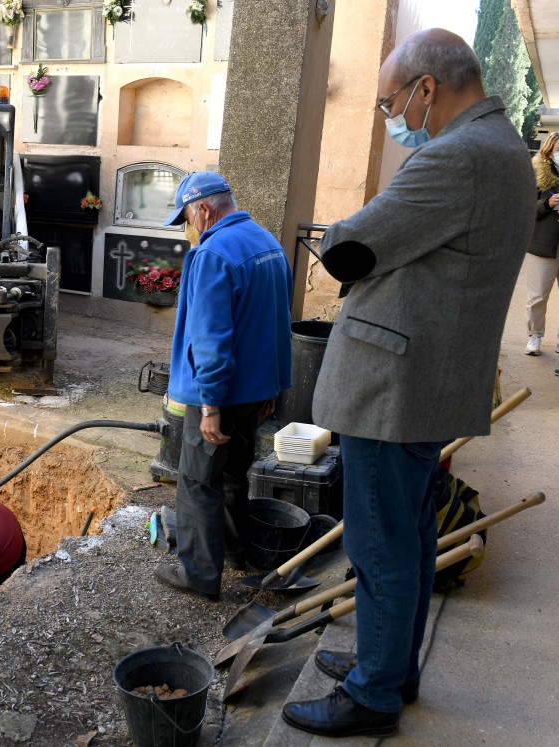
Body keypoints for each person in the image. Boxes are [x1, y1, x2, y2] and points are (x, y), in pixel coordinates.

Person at [282, 29, 534, 738]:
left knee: (380, 541)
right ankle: (390, 665)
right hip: (429, 377)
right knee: (412, 536)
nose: (391, 116)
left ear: (428, 87)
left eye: (390, 101)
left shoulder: (457, 157)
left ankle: (373, 693)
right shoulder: (503, 149)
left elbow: (348, 246)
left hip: (395, 385)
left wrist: (345, 235)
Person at [154, 171, 293, 601]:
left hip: (222, 393)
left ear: (204, 209)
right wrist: (274, 387)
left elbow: (211, 337)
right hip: (256, 392)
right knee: (234, 475)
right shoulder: (268, 243)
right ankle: (236, 553)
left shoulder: (213, 254)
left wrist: (210, 404)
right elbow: (276, 325)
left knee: (198, 481)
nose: (189, 228)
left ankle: (198, 574)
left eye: (187, 218)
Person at [525, 131, 559, 358]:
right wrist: (548, 203)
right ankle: (535, 335)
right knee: (537, 296)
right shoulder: (537, 173)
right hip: (543, 245)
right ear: (549, 151)